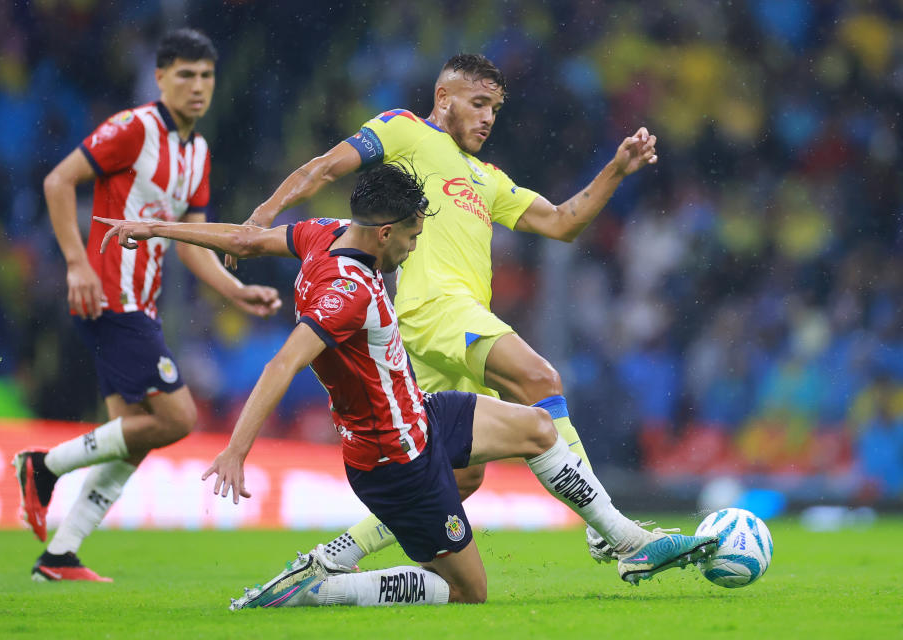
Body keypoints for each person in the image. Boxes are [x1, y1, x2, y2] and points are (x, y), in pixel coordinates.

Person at [96, 162, 716, 608]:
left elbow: (245, 238)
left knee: (537, 425)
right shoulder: (349, 295)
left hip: (420, 414)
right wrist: (234, 450)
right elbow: (282, 364)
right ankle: (327, 586)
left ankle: (628, 542)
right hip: (395, 459)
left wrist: (156, 231)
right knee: (466, 592)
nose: (416, 248)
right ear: (387, 231)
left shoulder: (322, 234)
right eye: (415, 236)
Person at [228, 53, 659, 568]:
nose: (487, 118)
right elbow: (324, 167)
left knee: (459, 472)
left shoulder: (489, 179)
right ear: (443, 98)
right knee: (539, 379)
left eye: (495, 108)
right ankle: (609, 530)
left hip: (449, 326)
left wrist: (615, 170)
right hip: (434, 307)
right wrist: (264, 214)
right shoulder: (405, 131)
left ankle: (336, 556)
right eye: (477, 103)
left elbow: (563, 222)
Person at [12, 28, 282, 582]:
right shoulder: (136, 129)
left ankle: (59, 555)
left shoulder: (198, 152)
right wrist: (75, 262)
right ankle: (42, 466)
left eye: (206, 75)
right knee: (177, 418)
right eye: (185, 74)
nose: (198, 86)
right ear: (160, 78)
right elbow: (58, 180)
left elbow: (192, 244)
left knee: (133, 436)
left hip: (142, 303)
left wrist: (236, 290)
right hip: (112, 296)